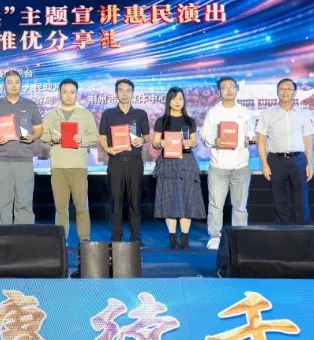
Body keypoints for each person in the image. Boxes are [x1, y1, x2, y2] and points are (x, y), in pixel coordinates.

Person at [199, 76, 254, 249]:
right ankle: (215, 235)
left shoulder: (245, 111)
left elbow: (251, 133)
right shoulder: (213, 112)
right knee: (216, 205)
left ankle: (240, 236)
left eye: (232, 86)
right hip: (218, 166)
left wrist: (251, 139)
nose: (228, 90)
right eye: (224, 87)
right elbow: (204, 134)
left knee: (240, 205)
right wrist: (214, 141)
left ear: (237, 89)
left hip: (241, 165)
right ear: (219, 91)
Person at [41, 78, 99, 244]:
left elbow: (95, 137)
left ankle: (85, 240)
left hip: (78, 167)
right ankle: (61, 241)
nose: (68, 95)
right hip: (58, 167)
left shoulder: (86, 114)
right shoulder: (51, 114)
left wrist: (82, 139)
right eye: (65, 92)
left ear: (76, 93)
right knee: (60, 208)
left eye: (72, 92)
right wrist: (52, 138)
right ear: (59, 93)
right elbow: (43, 136)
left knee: (81, 207)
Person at [0, 70, 43, 224]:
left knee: (24, 201)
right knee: (3, 201)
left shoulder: (30, 105)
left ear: (22, 84)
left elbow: (39, 128)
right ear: (4, 85)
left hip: (24, 158)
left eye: (17, 82)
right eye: (9, 82)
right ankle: (3, 234)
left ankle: (24, 233)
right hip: (2, 159)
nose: (13, 85)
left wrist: (33, 137)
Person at [151, 87, 205, 250]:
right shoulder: (161, 121)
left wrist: (190, 143)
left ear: (184, 101)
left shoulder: (190, 121)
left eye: (180, 99)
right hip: (168, 163)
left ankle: (185, 239)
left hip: (186, 162)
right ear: (169, 101)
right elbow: (155, 143)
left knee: (187, 199)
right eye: (174, 99)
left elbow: (194, 142)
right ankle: (173, 238)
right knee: (169, 199)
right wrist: (161, 143)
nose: (177, 102)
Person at [98, 78, 150, 246]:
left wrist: (141, 140)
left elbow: (147, 137)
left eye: (128, 91)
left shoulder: (140, 114)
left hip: (135, 162)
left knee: (135, 200)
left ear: (133, 93)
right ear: (116, 93)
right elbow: (102, 137)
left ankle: (135, 238)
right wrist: (108, 149)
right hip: (116, 161)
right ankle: (116, 237)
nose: (125, 94)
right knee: (116, 200)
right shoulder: (108, 114)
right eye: (121, 90)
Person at [256, 78, 314, 224]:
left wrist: (309, 164)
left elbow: (307, 140)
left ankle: (303, 230)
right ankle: (282, 230)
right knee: (279, 198)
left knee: (301, 198)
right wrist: (264, 164)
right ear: (277, 92)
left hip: (298, 159)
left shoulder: (304, 114)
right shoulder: (267, 113)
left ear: (295, 93)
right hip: (276, 160)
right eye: (282, 89)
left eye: (289, 89)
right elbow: (261, 141)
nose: (285, 91)